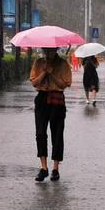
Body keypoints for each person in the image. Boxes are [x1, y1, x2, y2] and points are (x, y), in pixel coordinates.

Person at [29, 47, 72, 182]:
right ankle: (43, 168)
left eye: (51, 50)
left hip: (57, 99)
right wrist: (44, 72)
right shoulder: (38, 63)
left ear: (56, 50)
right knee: (40, 133)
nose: (48, 53)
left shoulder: (63, 64)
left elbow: (64, 84)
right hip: (42, 99)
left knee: (57, 134)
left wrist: (52, 73)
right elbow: (34, 83)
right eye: (46, 51)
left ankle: (55, 168)